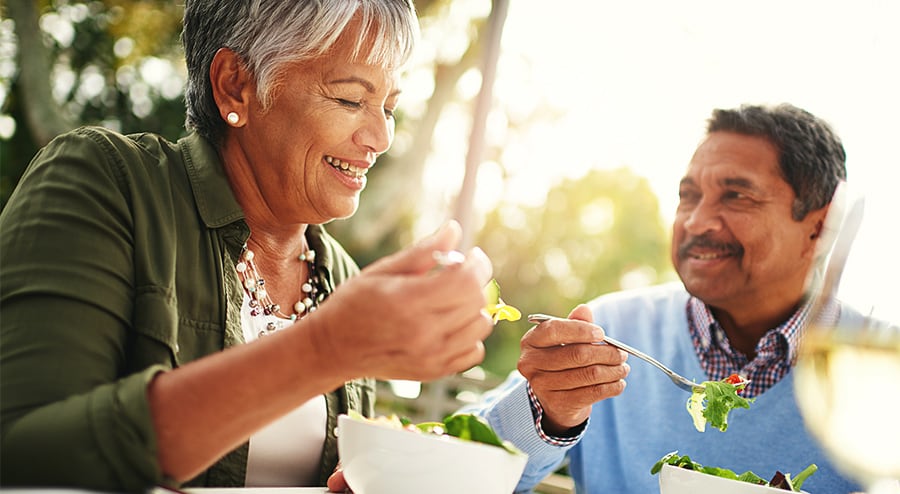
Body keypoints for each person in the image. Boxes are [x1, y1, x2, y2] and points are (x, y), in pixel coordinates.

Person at [0, 0, 495, 491]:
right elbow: (24, 456)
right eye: (350, 100)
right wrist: (323, 349)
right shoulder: (107, 184)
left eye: (389, 106)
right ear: (235, 85)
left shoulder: (342, 276)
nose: (381, 136)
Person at [464, 103, 862, 493]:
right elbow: (461, 464)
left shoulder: (880, 369)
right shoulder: (609, 331)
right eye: (688, 196)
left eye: (736, 196)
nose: (695, 221)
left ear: (820, 227)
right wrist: (549, 414)